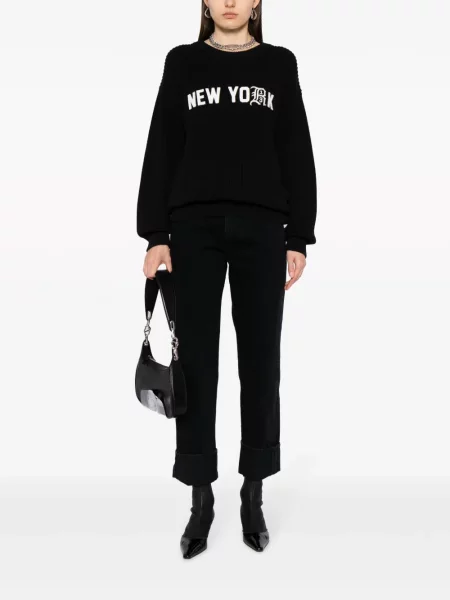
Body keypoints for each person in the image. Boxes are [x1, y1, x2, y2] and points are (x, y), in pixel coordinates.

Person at [136, 0, 317, 560]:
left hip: (263, 229)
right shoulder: (182, 62)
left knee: (261, 361)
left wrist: (298, 236)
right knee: (195, 366)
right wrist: (156, 234)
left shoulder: (279, 64)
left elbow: (295, 146)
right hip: (192, 230)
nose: (231, 1)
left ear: (257, 1)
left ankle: (253, 491)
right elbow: (162, 145)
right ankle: (200, 497)